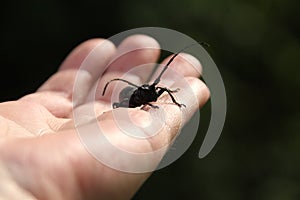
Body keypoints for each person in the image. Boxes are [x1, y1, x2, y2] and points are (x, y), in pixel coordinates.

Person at [0, 35, 210, 199]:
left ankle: (174, 102)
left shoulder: (155, 90)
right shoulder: (134, 96)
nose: (154, 91)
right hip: (127, 102)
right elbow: (129, 102)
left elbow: (159, 88)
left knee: (163, 85)